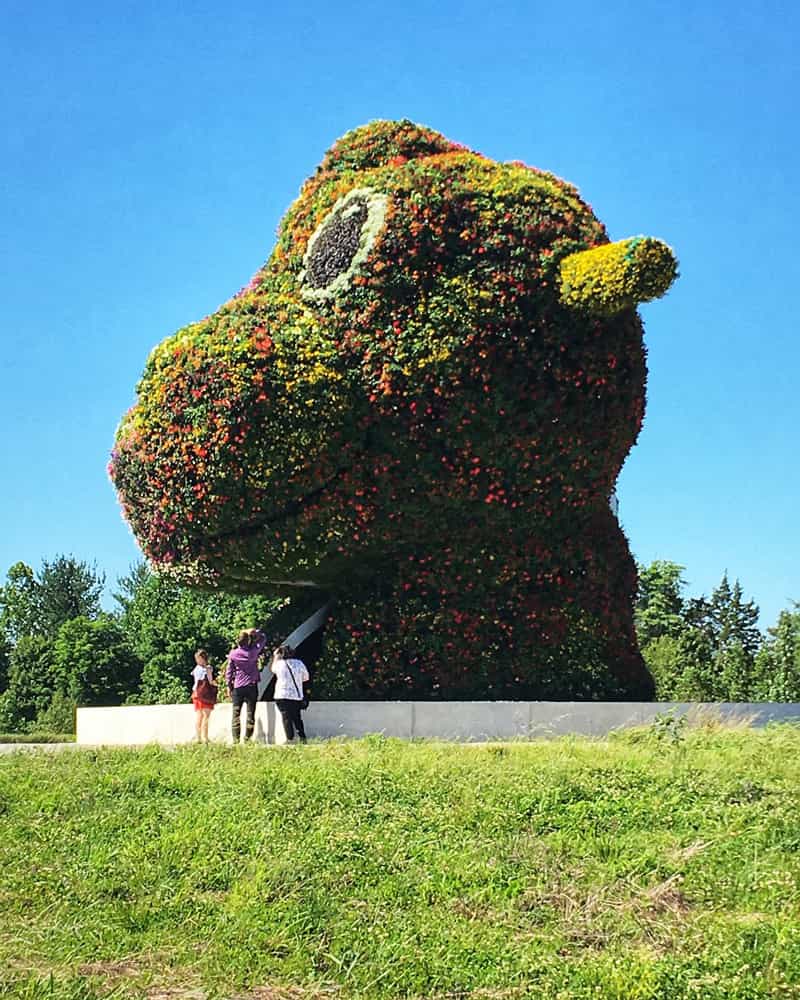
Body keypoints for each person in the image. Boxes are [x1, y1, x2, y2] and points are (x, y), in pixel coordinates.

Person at [225, 628, 267, 743]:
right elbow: (263, 638)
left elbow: (229, 672)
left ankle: (236, 739)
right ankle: (247, 739)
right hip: (251, 686)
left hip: (238, 687)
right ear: (248, 641)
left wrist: (229, 686)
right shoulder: (253, 652)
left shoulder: (233, 654)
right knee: (250, 713)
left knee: (236, 713)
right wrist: (254, 631)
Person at [270, 644, 310, 744]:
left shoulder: (279, 664)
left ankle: (290, 739)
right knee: (297, 717)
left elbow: (273, 670)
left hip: (282, 694)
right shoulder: (299, 663)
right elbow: (306, 677)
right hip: (296, 695)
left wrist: (275, 656)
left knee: (286, 717)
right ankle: (302, 737)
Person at [191, 649, 217, 743]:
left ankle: (198, 737)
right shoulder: (208, 668)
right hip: (205, 694)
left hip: (196, 693)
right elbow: (210, 681)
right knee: (206, 716)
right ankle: (205, 737)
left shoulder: (196, 669)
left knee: (199, 716)